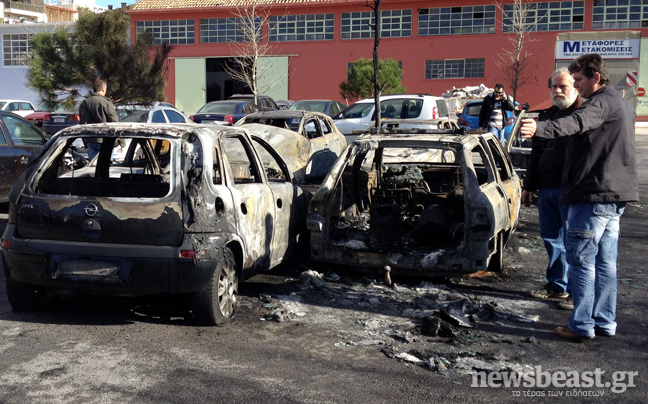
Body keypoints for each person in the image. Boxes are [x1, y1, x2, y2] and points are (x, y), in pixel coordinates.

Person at [520, 54, 638, 341]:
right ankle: (603, 322)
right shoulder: (619, 103)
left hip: (593, 196)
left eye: (579, 80)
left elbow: (576, 122)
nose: (576, 86)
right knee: (604, 264)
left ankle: (582, 325)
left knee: (581, 261)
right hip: (610, 196)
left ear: (596, 77)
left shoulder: (600, 103)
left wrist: (541, 128)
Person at [524, 68, 581, 303]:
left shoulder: (582, 115)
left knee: (571, 242)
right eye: (553, 86)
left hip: (569, 190)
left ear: (575, 87)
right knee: (551, 239)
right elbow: (536, 152)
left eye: (563, 86)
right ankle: (558, 285)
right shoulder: (549, 114)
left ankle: (573, 291)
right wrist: (529, 185)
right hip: (547, 188)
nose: (557, 91)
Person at [79, 78, 118, 160]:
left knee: (93, 169)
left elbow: (82, 124)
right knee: (106, 167)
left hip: (90, 139)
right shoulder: (106, 102)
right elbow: (114, 122)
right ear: (104, 88)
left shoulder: (84, 103)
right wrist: (120, 141)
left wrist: (85, 141)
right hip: (105, 141)